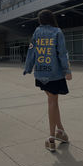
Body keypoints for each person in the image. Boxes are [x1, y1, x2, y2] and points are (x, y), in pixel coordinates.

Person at [23, 9, 72, 152]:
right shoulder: (57, 32)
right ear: (52, 19)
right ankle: (51, 137)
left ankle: (61, 131)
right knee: (52, 102)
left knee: (53, 102)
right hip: (54, 74)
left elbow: (31, 51)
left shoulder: (36, 32)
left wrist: (28, 67)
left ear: (40, 20)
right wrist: (67, 71)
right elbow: (62, 53)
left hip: (40, 73)